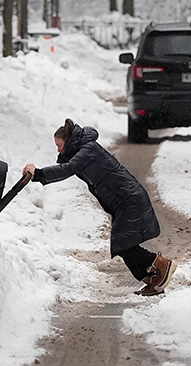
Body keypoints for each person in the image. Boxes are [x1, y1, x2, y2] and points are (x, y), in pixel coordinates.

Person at [23, 119, 177, 296]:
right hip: (124, 200)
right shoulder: (84, 150)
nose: (58, 150)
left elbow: (68, 168)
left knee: (123, 242)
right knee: (122, 243)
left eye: (59, 145)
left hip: (129, 199)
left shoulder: (88, 150)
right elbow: (69, 166)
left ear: (69, 140)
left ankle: (160, 265)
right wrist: (38, 176)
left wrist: (39, 173)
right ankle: (152, 278)